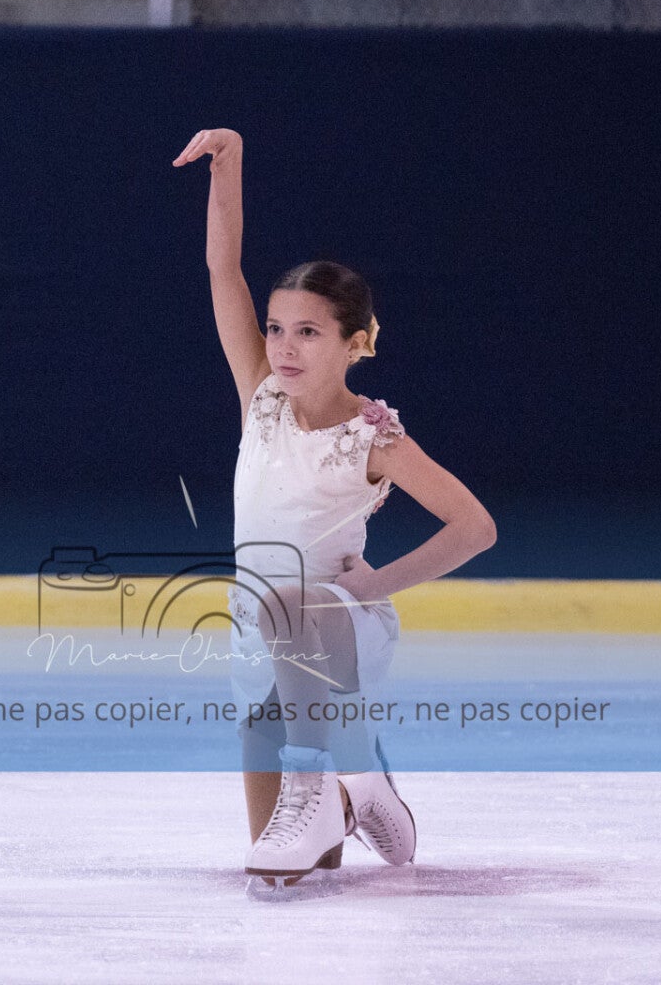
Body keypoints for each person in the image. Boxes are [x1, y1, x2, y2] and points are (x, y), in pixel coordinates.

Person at [172, 127, 498, 890]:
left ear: (354, 343)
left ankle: (333, 784)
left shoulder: (371, 438)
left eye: (308, 333)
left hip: (337, 626)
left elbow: (475, 528)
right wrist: (230, 164)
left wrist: (371, 586)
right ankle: (362, 788)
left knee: (292, 604)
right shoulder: (260, 399)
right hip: (258, 633)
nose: (284, 347)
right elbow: (223, 268)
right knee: (287, 866)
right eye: (277, 329)